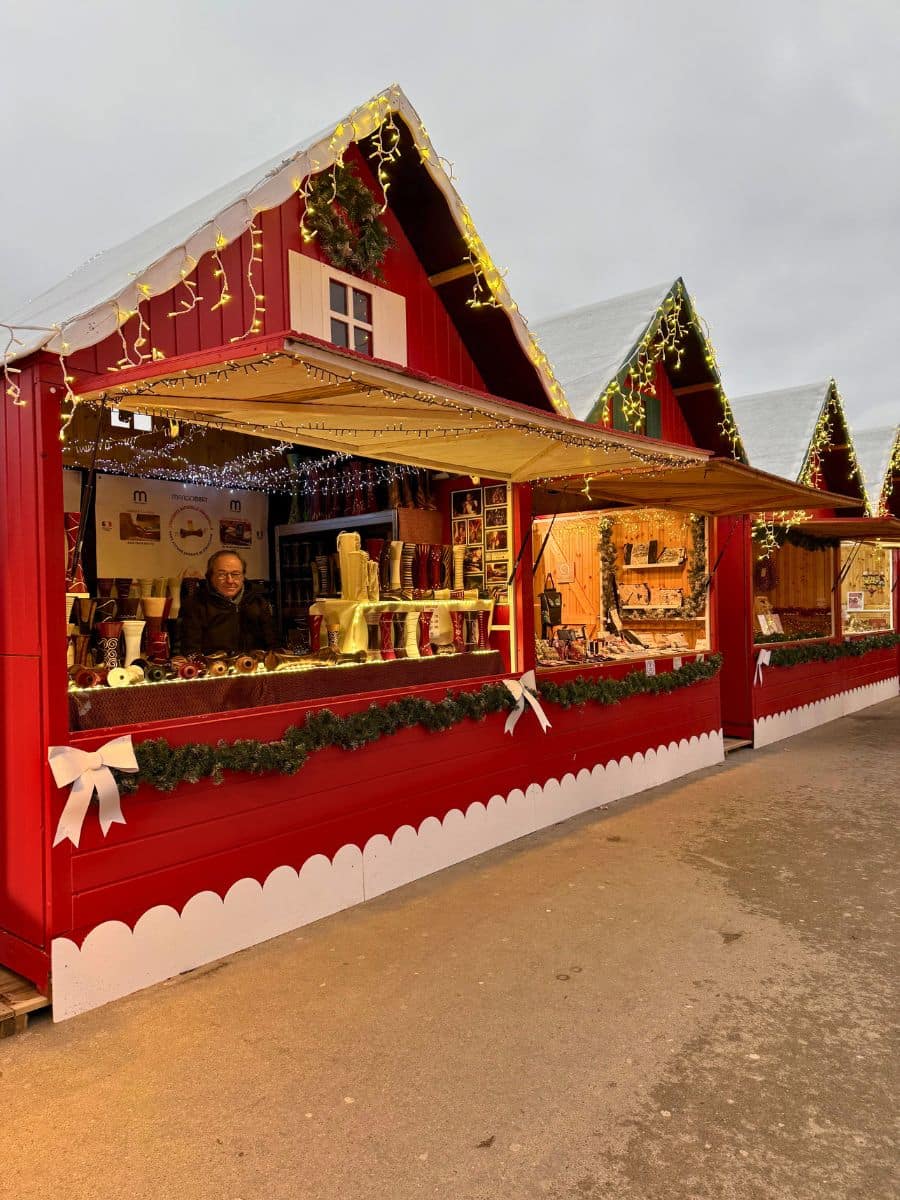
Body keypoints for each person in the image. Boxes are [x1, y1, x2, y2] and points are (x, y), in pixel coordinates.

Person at [180, 550, 277, 655]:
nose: (230, 580)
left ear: (243, 576)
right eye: (222, 574)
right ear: (210, 576)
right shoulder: (195, 605)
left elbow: (273, 646)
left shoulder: (258, 603)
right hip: (213, 668)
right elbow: (189, 652)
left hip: (254, 668)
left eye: (235, 574)